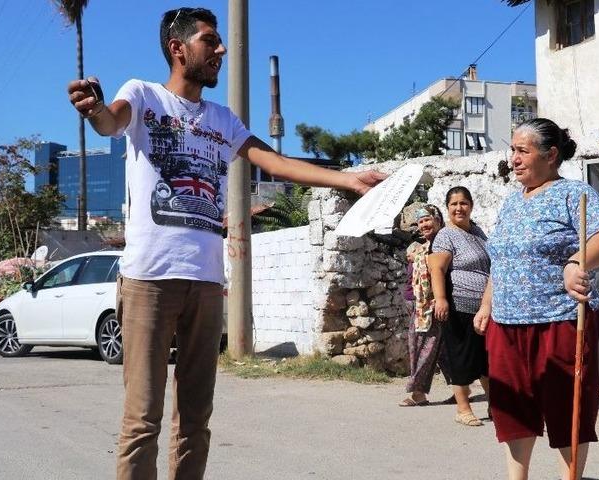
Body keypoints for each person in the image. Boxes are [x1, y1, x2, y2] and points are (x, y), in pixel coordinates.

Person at [66, 8, 385, 480]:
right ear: (178, 50)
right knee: (142, 420)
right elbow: (112, 123)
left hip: (206, 282)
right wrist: (93, 108)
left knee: (196, 421)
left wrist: (347, 179)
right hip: (148, 280)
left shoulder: (222, 119)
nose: (220, 50)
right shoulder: (143, 95)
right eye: (209, 41)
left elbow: (273, 162)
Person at [474, 118, 599, 480]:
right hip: (506, 324)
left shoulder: (574, 193)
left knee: (565, 406)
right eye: (513, 150)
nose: (514, 159)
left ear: (550, 155)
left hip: (560, 319)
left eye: (523, 151)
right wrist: (487, 303)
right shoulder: (510, 203)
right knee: (512, 407)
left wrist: (575, 262)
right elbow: (502, 259)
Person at [428, 187, 491, 426]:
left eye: (464, 203)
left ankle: (494, 406)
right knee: (461, 358)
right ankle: (463, 410)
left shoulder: (478, 232)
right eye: (454, 204)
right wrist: (441, 299)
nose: (459, 208)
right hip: (458, 306)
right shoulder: (446, 235)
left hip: (484, 308)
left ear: (471, 205)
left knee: (487, 359)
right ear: (447, 208)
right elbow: (437, 269)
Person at [399, 204, 450, 407]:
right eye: (420, 222)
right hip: (419, 304)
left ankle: (418, 392)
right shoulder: (421, 247)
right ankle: (460, 387)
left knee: (422, 347)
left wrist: (420, 256)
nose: (424, 225)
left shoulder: (442, 243)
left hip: (434, 305)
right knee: (444, 350)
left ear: (438, 220)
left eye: (428, 219)